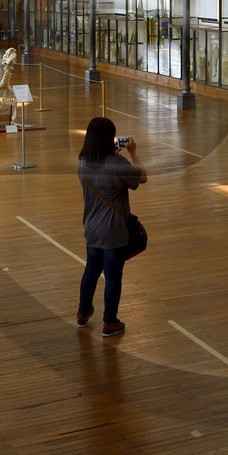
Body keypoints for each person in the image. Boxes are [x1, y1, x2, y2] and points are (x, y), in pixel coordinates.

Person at [76, 116, 146, 338]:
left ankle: (83, 312)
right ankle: (110, 322)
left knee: (92, 269)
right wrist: (133, 152)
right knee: (113, 276)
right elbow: (142, 177)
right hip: (113, 229)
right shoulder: (118, 164)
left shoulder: (83, 163)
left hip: (92, 227)